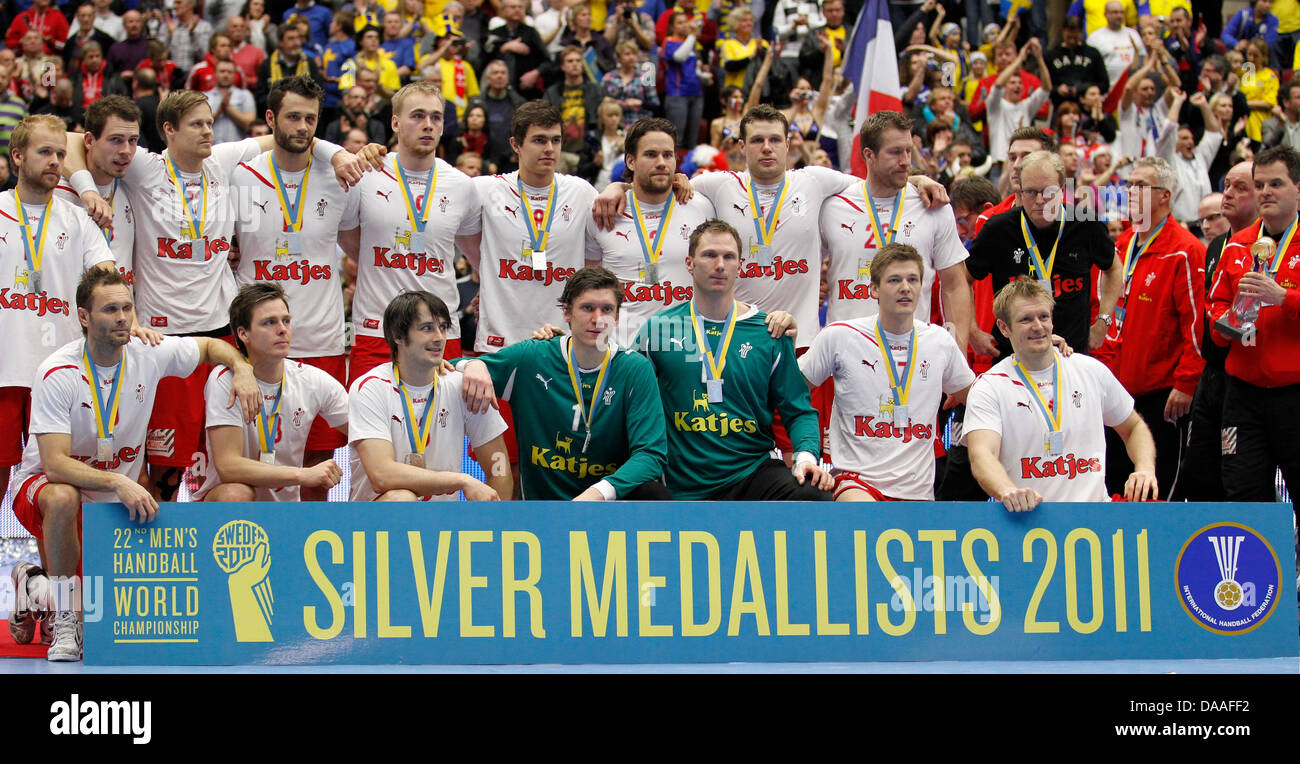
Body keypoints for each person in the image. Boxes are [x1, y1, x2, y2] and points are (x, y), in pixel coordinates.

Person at [62, 88, 375, 500]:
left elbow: (294, 136)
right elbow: (72, 139)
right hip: (164, 339)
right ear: (169, 130)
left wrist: (336, 155)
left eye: (210, 123)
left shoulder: (223, 162)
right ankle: (161, 556)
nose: (208, 132)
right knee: (166, 471)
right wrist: (86, 189)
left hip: (223, 335)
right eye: (196, 125)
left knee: (223, 463)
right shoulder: (145, 167)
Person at [10, 267, 258, 661]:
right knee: (61, 496)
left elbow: (212, 348)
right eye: (110, 309)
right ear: (84, 317)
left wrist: (242, 368)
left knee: (116, 613)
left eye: (127, 307)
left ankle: (32, 584)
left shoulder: (148, 353)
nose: (123, 317)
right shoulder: (57, 373)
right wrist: (118, 483)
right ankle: (65, 622)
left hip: (110, 503)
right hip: (44, 489)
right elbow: (55, 465)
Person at [636, 219, 834, 500]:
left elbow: (798, 409)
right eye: (709, 255)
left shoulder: (769, 332)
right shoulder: (657, 330)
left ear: (739, 265)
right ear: (689, 263)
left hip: (752, 473)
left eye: (729, 257)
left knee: (814, 495)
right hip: (681, 479)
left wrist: (805, 458)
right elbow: (628, 397)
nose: (720, 265)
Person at [229, 76, 359, 499]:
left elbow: (361, 246)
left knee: (317, 469)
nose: (303, 127)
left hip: (320, 341)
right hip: (256, 348)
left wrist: (338, 151)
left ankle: (308, 556)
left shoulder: (340, 180)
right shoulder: (239, 177)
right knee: (245, 465)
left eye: (311, 118)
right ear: (270, 118)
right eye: (293, 117)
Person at [457, 266, 668, 499]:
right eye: (587, 308)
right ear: (567, 312)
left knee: (654, 494)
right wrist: (473, 365)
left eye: (607, 310)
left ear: (617, 317)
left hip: (606, 507)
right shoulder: (533, 357)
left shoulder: (634, 369)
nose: (597, 320)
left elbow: (651, 454)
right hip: (545, 513)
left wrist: (599, 493)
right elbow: (444, 369)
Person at [0, 115, 119, 507]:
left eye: (60, 154)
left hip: (59, 372)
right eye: (43, 152)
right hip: (3, 370)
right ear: (17, 156)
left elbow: (106, 277)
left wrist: (126, 314)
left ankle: (51, 570)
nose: (54, 161)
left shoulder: (78, 220)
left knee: (55, 483)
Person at [800, 243, 975, 501]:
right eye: (894, 280)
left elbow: (980, 397)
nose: (905, 287)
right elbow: (789, 389)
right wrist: (804, 451)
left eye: (912, 279)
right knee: (866, 518)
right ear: (874, 289)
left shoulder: (939, 340)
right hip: (857, 483)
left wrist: (1039, 356)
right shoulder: (840, 336)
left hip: (918, 492)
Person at [964, 278, 1158, 511]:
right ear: (1004, 328)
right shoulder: (989, 387)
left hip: (1095, 521)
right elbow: (982, 454)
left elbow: (1134, 427)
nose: (1038, 326)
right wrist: (1007, 490)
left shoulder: (1090, 370)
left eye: (1043, 317)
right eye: (1025, 319)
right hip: (1030, 523)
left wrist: (1145, 468)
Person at [340, 81, 477, 384]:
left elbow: (477, 252)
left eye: (436, 117)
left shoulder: (461, 185)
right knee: (371, 429)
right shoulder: (365, 175)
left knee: (441, 429)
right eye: (417, 116)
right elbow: (352, 244)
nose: (428, 125)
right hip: (378, 332)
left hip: (441, 334)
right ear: (395, 123)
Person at [1095, 156, 1206, 499]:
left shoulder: (1185, 250)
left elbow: (1196, 323)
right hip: (1115, 389)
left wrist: (1187, 382)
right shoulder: (1121, 244)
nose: (1130, 193)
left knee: (1153, 486)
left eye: (1140, 187)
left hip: (1162, 392)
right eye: (1128, 186)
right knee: (1112, 483)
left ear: (1164, 196)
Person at [819, 111, 972, 352]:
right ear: (869, 154)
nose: (906, 161)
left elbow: (954, 285)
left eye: (908, 151)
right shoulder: (832, 206)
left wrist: (958, 353)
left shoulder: (933, 205)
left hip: (913, 353)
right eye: (895, 152)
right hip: (846, 352)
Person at [348, 291, 510, 501]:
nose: (439, 337)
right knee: (402, 499)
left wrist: (491, 525)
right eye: (427, 328)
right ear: (397, 335)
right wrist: (462, 480)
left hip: (443, 527)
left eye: (442, 327)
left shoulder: (463, 385)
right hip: (376, 525)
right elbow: (382, 476)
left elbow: (500, 468)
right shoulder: (370, 388)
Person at [1206, 146, 1300, 509]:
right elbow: (1214, 306)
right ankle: (1251, 569)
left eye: (1276, 183)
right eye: (1260, 185)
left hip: (1294, 393)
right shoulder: (1237, 245)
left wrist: (1284, 298)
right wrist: (1224, 324)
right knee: (1242, 494)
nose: (1265, 192)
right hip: (1243, 395)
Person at [965, 150, 1123, 361]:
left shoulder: (1086, 224)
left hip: (1072, 356)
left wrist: (1103, 321)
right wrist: (972, 330)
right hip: (1013, 359)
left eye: (1048, 192)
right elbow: (961, 279)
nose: (1040, 200)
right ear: (1020, 190)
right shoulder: (998, 229)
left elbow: (1114, 267)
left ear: (1062, 189)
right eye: (1031, 192)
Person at [195, 283, 346, 501]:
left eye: (286, 320)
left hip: (284, 510)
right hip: (227, 506)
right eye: (269, 322)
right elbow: (229, 466)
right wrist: (302, 474)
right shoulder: (225, 379)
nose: (282, 329)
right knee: (236, 493)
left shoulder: (312, 379)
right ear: (243, 333)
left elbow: (365, 431)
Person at [1177, 160, 1255, 501]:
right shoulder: (1216, 247)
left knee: (1236, 474)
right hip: (1211, 374)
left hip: (1245, 378)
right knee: (1198, 471)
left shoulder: (1265, 245)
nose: (1229, 195)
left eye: (1240, 188)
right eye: (1227, 186)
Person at [53, 96, 139, 289]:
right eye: (115, 140)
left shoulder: (133, 182)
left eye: (133, 140)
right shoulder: (55, 190)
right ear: (89, 140)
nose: (126, 150)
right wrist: (88, 190)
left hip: (121, 313)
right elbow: (66, 139)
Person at [1163, 91, 1223, 227]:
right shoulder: (1168, 161)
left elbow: (1214, 134)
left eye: (1191, 138)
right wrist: (1177, 101)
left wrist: (1204, 105)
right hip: (1182, 224)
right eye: (1184, 138)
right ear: (1175, 143)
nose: (1190, 141)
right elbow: (1168, 131)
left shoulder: (1200, 158)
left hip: (1206, 225)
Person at [662, 9, 705, 152]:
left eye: (685, 22)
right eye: (679, 23)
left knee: (692, 139)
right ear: (672, 27)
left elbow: (693, 67)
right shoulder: (669, 41)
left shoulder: (690, 42)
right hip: (677, 93)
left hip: (696, 93)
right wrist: (692, 35)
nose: (684, 25)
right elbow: (679, 57)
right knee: (676, 138)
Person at [1087, 0, 1145, 85]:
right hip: (1108, 89)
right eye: (1115, 12)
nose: (1119, 15)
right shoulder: (1095, 38)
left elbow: (1143, 59)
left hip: (1131, 87)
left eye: (1122, 12)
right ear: (1105, 14)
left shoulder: (1133, 34)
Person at [206, 61, 257, 144]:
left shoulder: (245, 95)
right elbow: (198, 123)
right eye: (222, 71)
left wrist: (228, 108)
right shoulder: (204, 97)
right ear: (215, 74)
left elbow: (250, 125)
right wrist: (218, 112)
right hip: (210, 150)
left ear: (234, 75)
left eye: (229, 72)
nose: (226, 75)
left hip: (237, 149)